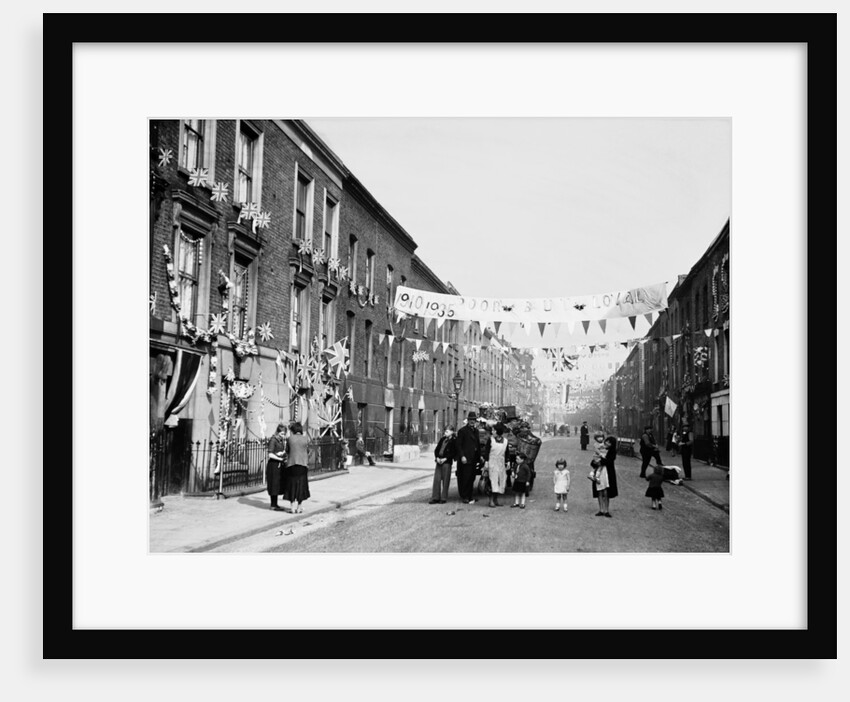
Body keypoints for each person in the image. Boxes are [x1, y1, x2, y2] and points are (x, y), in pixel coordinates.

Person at [455, 412, 482, 504]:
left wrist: (480, 456)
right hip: (465, 459)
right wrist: (462, 456)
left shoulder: (476, 431)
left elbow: (477, 444)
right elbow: (458, 445)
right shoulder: (462, 431)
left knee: (472, 477)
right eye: (470, 420)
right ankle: (465, 496)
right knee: (465, 478)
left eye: (474, 420)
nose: (472, 421)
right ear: (468, 420)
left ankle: (470, 496)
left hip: (473, 458)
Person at [285, 421, 311, 513]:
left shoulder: (290, 439)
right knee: (301, 485)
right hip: (302, 464)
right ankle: (299, 507)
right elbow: (308, 451)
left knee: (291, 485)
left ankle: (292, 507)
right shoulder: (305, 439)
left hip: (292, 464)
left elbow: (287, 451)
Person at [592, 436, 619, 518]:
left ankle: (606, 510)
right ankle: (601, 510)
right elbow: (593, 462)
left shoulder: (612, 452)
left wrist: (600, 460)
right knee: (599, 491)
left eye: (609, 443)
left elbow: (608, 462)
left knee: (606, 492)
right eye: (606, 441)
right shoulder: (599, 449)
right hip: (599, 473)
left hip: (608, 473)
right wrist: (595, 461)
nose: (607, 443)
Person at [429, 426, 457, 504]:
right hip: (439, 461)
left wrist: (446, 459)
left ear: (452, 432)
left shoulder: (454, 441)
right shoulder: (442, 439)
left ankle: (443, 497)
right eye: (445, 431)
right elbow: (437, 449)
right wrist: (437, 457)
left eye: (447, 431)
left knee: (445, 480)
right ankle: (435, 497)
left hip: (446, 462)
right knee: (436, 480)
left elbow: (453, 452)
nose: (445, 433)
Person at [265, 423, 288, 511]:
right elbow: (270, 454)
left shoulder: (280, 440)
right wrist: (279, 457)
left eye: (284, 434)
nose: (283, 436)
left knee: (277, 484)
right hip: (273, 465)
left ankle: (275, 504)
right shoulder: (273, 440)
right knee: (273, 484)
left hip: (278, 464)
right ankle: (273, 505)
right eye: (281, 434)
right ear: (278, 432)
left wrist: (282, 454)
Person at [486, 424, 509, 507]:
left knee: (500, 481)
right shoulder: (491, 440)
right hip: (492, 462)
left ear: (498, 431)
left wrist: (508, 461)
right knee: (492, 481)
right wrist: (486, 462)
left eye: (494, 430)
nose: (492, 432)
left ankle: (496, 499)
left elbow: (507, 452)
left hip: (501, 462)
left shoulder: (505, 441)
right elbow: (487, 451)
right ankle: (491, 500)